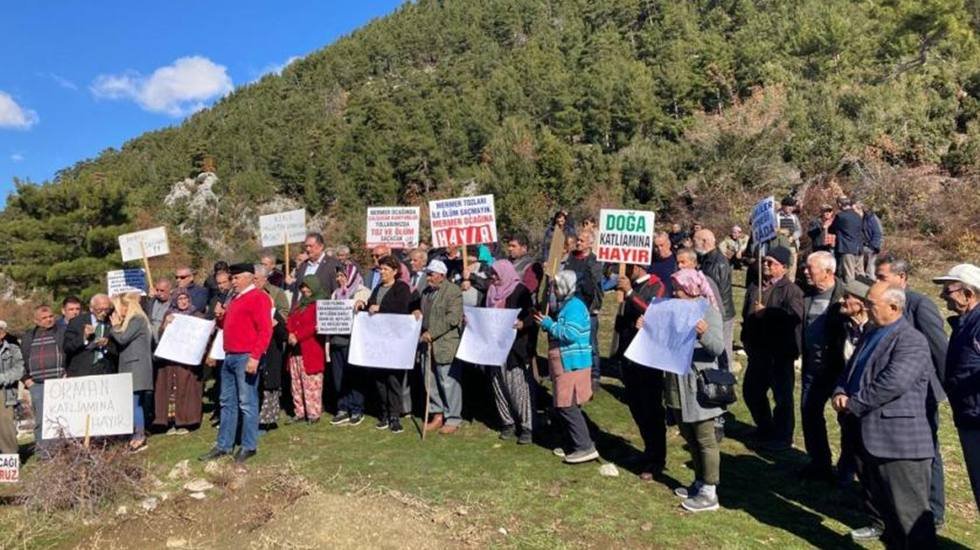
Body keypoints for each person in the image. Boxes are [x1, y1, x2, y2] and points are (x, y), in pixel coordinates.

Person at [832, 282, 936, 546]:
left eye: (871, 304)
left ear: (893, 306)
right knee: (890, 518)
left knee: (911, 520)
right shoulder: (870, 333)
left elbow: (893, 383)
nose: (866, 308)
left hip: (899, 444)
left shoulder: (911, 340)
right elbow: (851, 370)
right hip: (869, 438)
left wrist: (853, 403)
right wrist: (839, 391)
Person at [874, 255, 948, 527]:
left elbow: (940, 350)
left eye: (882, 277)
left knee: (927, 451)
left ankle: (934, 510)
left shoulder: (919, 305)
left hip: (922, 392)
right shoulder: (881, 304)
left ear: (901, 278)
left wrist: (946, 386)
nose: (877, 282)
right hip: (896, 394)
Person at [653, 269, 726, 512]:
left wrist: (703, 333)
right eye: (673, 289)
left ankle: (710, 491)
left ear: (692, 289)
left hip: (698, 386)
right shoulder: (674, 311)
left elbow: (717, 348)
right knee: (689, 435)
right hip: (676, 384)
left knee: (705, 438)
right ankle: (699, 480)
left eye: (679, 289)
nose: (675, 293)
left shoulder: (709, 312)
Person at [200, 263, 273, 465]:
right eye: (232, 278)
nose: (233, 281)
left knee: (247, 402)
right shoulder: (235, 298)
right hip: (230, 355)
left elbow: (265, 330)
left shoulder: (258, 297)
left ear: (249, 277)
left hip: (245, 355)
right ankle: (224, 445)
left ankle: (249, 445)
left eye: (236, 278)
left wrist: (255, 356)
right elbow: (230, 326)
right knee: (226, 402)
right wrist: (221, 317)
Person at [741, 245, 804, 450]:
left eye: (771, 263)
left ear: (784, 267)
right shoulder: (755, 286)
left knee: (782, 396)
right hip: (757, 350)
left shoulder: (792, 291)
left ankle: (783, 436)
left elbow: (794, 318)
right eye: (765, 261)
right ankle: (765, 426)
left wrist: (767, 313)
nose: (766, 265)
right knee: (752, 391)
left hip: (779, 352)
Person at [535, 270, 598, 464]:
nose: (553, 290)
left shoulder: (575, 307)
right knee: (567, 404)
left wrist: (549, 325)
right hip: (565, 362)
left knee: (566, 405)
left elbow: (572, 334)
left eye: (555, 286)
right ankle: (572, 442)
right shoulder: (567, 306)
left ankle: (584, 446)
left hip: (572, 364)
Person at [933, 263, 980, 510]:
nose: (942, 296)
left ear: (969, 294)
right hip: (969, 418)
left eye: (948, 290)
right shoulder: (966, 324)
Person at [614, 264, 667, 478]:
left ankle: (657, 458)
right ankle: (648, 450)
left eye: (629, 266)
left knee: (651, 409)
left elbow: (654, 311)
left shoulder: (657, 285)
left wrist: (629, 293)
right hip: (629, 355)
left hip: (648, 358)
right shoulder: (628, 285)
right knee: (636, 406)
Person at [799, 251, 847, 481]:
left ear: (829, 272)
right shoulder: (805, 295)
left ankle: (847, 470)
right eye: (805, 268)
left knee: (846, 421)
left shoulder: (846, 297)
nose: (805, 272)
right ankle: (819, 463)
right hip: (812, 369)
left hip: (839, 371)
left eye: (811, 269)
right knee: (809, 414)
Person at [355, 255, 412, 433]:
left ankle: (395, 415)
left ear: (395, 271)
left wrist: (382, 309)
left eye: (386, 269)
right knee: (379, 378)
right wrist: (362, 305)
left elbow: (402, 308)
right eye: (381, 269)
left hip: (394, 340)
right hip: (378, 340)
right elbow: (371, 306)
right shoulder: (378, 288)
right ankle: (384, 413)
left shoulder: (402, 288)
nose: (382, 272)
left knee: (393, 379)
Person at [484, 260, 535, 444]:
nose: (494, 278)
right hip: (494, 346)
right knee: (498, 384)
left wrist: (522, 324)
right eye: (492, 274)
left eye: (497, 274)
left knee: (517, 386)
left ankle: (526, 425)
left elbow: (531, 315)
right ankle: (507, 422)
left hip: (514, 347)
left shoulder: (520, 291)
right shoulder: (491, 292)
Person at [416, 260, 464, 435]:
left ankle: (453, 417)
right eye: (427, 274)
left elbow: (453, 318)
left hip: (445, 343)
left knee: (448, 382)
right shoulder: (426, 292)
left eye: (431, 274)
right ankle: (437, 414)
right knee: (430, 381)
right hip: (426, 344)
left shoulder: (453, 292)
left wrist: (432, 333)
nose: (428, 277)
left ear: (441, 275)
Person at [153, 289, 206, 435]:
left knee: (186, 388)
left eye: (186, 298)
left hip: (187, 361)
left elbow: (202, 336)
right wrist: (165, 325)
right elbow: (160, 335)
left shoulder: (197, 315)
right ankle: (171, 422)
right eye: (180, 299)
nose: (183, 301)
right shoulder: (169, 314)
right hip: (170, 360)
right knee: (170, 389)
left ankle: (185, 421)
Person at [109, 292, 154, 452]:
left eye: (118, 308)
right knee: (134, 403)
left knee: (135, 403)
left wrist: (115, 327)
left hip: (136, 367)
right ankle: (136, 433)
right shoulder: (137, 321)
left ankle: (139, 436)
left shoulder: (137, 320)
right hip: (132, 366)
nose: (116, 312)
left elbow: (123, 339)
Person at [329, 264, 371, 426]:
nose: (339, 279)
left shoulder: (363, 292)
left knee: (355, 375)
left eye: (342, 276)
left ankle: (357, 408)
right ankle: (342, 407)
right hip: (337, 341)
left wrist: (362, 304)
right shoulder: (335, 294)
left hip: (354, 341)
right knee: (339, 376)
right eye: (338, 276)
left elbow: (368, 312)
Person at [20, 305, 66, 447]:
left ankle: (64, 450)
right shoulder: (28, 336)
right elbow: (20, 359)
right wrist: (26, 380)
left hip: (60, 382)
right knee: (41, 419)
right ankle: (44, 452)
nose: (49, 320)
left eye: (51, 316)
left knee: (63, 417)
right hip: (37, 384)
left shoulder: (62, 332)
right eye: (44, 318)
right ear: (36, 320)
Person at [563, 232, 603, 389]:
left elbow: (597, 287)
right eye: (578, 240)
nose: (578, 243)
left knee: (591, 343)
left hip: (588, 309)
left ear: (589, 244)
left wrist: (595, 307)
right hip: (570, 307)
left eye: (581, 241)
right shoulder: (571, 258)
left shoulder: (594, 262)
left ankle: (594, 375)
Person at [286, 276, 328, 424]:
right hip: (295, 350)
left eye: (307, 287)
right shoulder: (300, 304)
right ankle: (300, 412)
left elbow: (315, 325)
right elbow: (290, 320)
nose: (304, 290)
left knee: (312, 383)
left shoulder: (320, 304)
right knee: (296, 383)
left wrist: (298, 335)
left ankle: (313, 413)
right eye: (302, 287)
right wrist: (290, 332)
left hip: (311, 348)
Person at [694, 230, 735, 371]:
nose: (693, 244)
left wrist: (716, 315)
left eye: (695, 240)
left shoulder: (717, 263)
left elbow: (716, 293)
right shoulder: (707, 259)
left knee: (723, 349)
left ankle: (725, 379)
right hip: (717, 312)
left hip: (721, 314)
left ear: (705, 242)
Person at [64, 294, 117, 377]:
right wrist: (84, 337)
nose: (103, 313)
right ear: (91, 308)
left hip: (106, 371)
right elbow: (67, 347)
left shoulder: (113, 321)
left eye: (106, 309)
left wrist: (107, 344)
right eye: (99, 309)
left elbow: (120, 347)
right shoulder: (76, 322)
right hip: (82, 372)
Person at [287, 233, 343, 303]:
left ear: (321, 246)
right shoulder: (303, 266)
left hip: (322, 310)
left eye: (310, 246)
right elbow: (297, 293)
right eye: (306, 246)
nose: (308, 249)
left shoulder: (333, 265)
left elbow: (339, 292)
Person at [0, 321, 24, 455]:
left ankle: (10, 459)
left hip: (5, 392)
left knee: (5, 425)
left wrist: (2, 378)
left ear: (2, 333)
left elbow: (19, 369)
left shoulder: (13, 349)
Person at [829, 197, 864, 283]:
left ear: (840, 204)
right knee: (860, 275)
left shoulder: (840, 216)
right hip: (859, 248)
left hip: (847, 248)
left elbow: (831, 229)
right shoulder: (858, 216)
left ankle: (851, 295)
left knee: (849, 275)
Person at [854, 201, 883, 277]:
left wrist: (873, 247)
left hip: (871, 246)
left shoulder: (871, 218)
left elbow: (878, 233)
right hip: (862, 246)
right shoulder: (857, 219)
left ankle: (871, 282)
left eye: (855, 211)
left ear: (860, 210)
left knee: (870, 269)